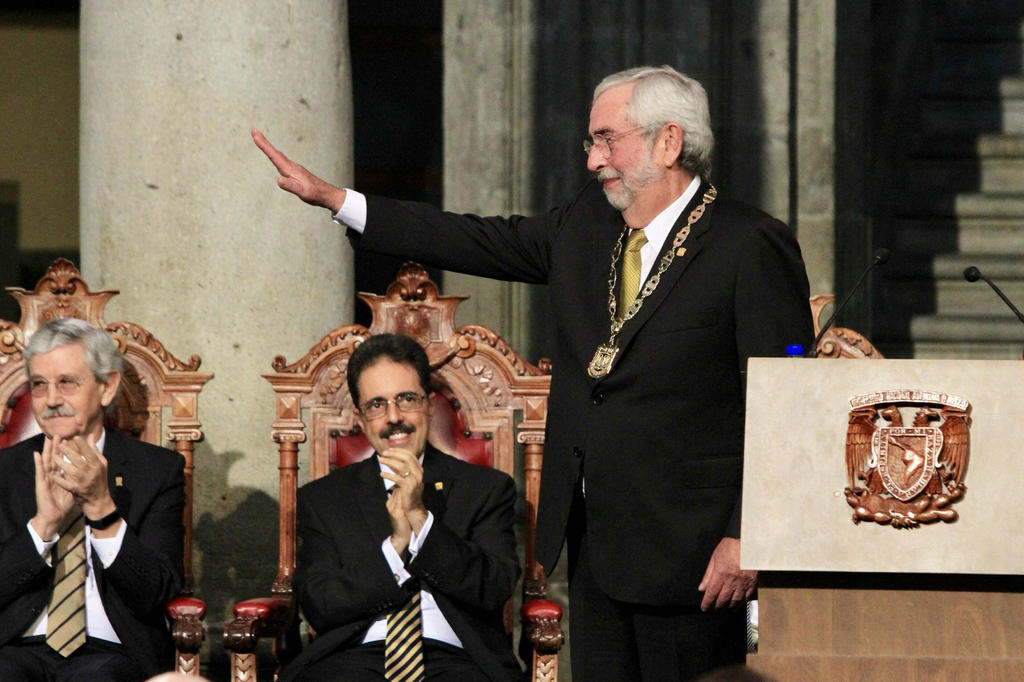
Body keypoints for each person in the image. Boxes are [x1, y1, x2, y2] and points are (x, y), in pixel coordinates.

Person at [255, 64, 814, 680]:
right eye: (590, 142)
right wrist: (340, 201)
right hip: (596, 544)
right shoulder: (585, 225)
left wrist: (748, 538)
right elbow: (472, 238)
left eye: (607, 139)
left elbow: (786, 409)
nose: (593, 159)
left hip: (696, 553)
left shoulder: (748, 243)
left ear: (669, 142)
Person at [279, 333, 521, 682]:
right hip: (352, 657)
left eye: (406, 399)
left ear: (429, 405)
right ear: (361, 420)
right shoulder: (324, 499)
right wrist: (395, 545)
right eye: (377, 405)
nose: (393, 417)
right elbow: (320, 605)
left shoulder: (486, 489)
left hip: (459, 659)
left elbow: (494, 586)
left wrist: (422, 521)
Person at [0, 318, 185, 681]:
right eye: (39, 385)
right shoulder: (5, 471)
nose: (52, 400)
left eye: (67, 383)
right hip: (14, 647)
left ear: (106, 387)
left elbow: (155, 592)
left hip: (111, 651)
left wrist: (102, 510)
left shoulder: (157, 471)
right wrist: (43, 528)